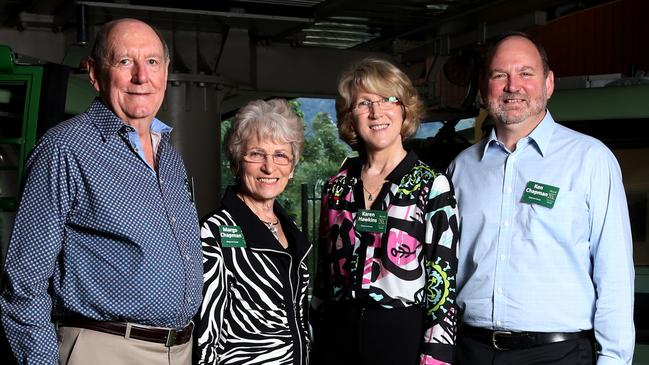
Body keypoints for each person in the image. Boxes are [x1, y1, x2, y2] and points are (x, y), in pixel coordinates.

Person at [0, 18, 202, 364]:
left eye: (152, 62)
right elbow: (23, 284)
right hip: (105, 349)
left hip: (179, 350)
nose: (142, 76)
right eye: (125, 62)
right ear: (94, 73)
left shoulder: (170, 157)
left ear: (166, 72)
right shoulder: (64, 149)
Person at [447, 31, 635, 364]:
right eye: (499, 75)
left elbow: (615, 274)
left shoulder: (590, 159)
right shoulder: (461, 169)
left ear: (548, 83)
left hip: (557, 354)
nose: (512, 86)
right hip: (469, 351)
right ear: (483, 87)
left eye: (525, 73)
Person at [311, 57, 459, 365]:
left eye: (387, 100)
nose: (376, 112)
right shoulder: (335, 187)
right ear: (350, 116)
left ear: (404, 108)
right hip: (337, 336)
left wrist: (435, 358)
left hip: (401, 336)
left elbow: (442, 286)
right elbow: (324, 281)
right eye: (364, 103)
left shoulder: (432, 185)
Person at [195, 99, 310, 364]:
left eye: (280, 155)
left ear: (291, 168)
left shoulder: (291, 229)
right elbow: (206, 333)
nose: (269, 167)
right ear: (236, 163)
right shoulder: (214, 231)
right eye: (256, 154)